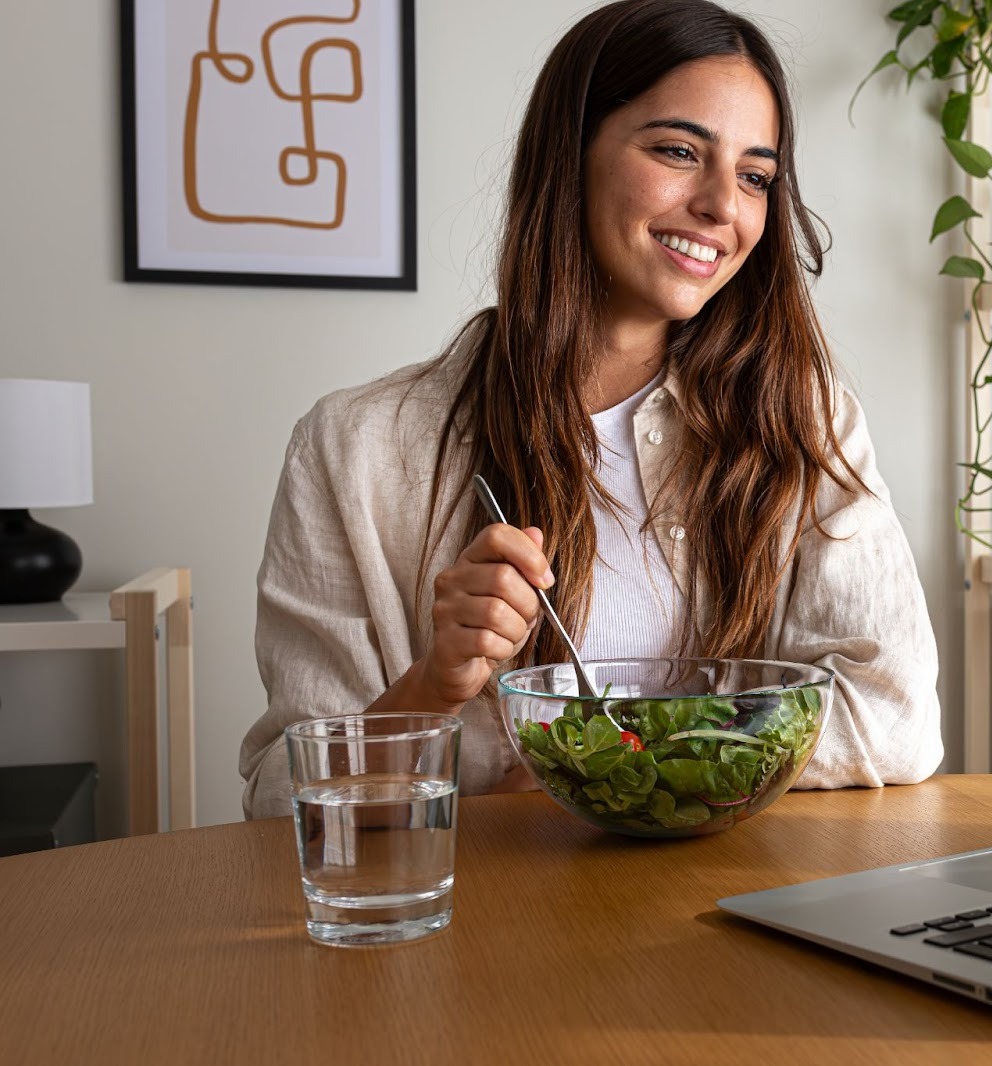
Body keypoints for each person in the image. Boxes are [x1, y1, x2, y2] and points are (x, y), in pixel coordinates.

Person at [238, 0, 942, 818]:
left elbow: (897, 719)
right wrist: (432, 687)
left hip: (732, 913)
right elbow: (281, 801)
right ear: (569, 156)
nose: (725, 206)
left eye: (755, 176)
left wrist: (602, 766)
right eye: (680, 151)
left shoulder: (808, 422)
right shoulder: (352, 449)